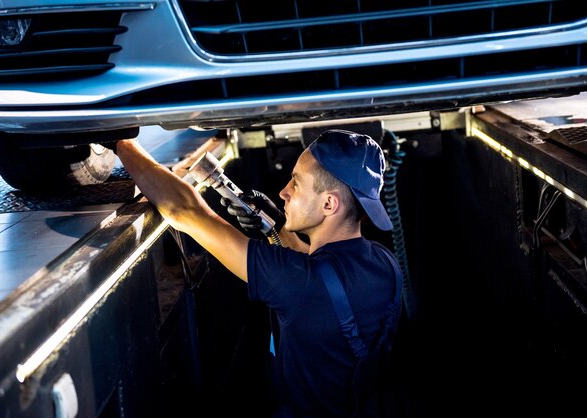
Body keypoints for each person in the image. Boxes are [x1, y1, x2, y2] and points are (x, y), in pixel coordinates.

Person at [113, 129, 403, 418]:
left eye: (296, 184)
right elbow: (323, 276)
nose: (284, 192)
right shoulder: (383, 262)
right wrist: (275, 227)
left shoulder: (298, 282)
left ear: (329, 203)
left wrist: (122, 143)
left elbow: (184, 211)